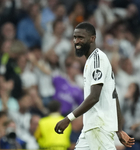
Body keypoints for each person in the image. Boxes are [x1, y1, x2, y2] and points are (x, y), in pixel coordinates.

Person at [54, 22, 135, 150]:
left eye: (81, 37)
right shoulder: (91, 61)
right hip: (91, 128)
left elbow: (94, 97)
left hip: (99, 128)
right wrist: (118, 129)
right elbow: (114, 96)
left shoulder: (98, 60)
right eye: (75, 37)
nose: (76, 41)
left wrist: (68, 118)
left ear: (92, 38)